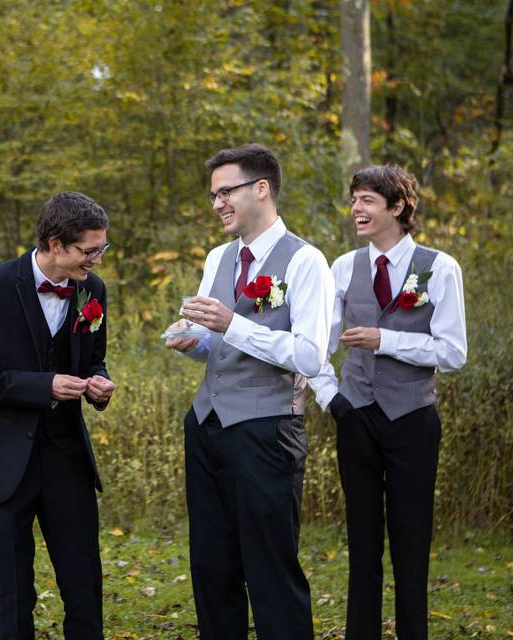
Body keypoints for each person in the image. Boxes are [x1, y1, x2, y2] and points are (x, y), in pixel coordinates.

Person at [164, 143, 334, 640]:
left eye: (226, 192)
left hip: (267, 432)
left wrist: (232, 325)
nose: (216, 203)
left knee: (271, 570)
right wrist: (192, 340)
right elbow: (216, 340)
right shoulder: (219, 256)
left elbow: (311, 356)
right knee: (212, 568)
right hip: (206, 426)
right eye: (213, 195)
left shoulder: (307, 262)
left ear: (261, 189)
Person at [308, 165, 466, 640]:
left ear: (397, 207)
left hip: (414, 419)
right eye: (354, 199)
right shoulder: (341, 267)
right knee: (362, 542)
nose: (357, 208)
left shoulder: (440, 267)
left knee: (411, 541)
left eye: (368, 200)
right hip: (355, 415)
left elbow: (454, 352)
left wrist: (387, 339)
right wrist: (331, 398)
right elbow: (315, 347)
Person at [0, 191, 115, 640]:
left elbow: (93, 361)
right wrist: (42, 386)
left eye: (101, 249)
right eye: (90, 250)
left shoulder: (93, 291)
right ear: (54, 244)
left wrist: (98, 385)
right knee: (12, 591)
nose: (98, 260)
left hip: (67, 458)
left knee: (84, 583)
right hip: (2, 460)